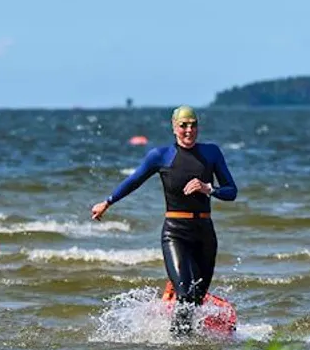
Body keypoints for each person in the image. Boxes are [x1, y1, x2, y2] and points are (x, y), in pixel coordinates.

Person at [90, 105, 240, 334]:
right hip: (175, 232)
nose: (189, 130)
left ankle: (187, 344)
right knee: (185, 293)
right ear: (173, 128)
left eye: (193, 125)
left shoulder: (211, 153)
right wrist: (107, 202)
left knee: (196, 298)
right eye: (183, 125)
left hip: (205, 233)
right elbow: (133, 180)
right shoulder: (160, 156)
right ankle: (178, 342)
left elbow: (231, 191)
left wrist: (208, 188)